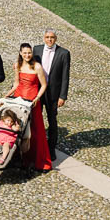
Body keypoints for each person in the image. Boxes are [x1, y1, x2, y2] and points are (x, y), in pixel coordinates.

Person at [7, 43, 52, 170]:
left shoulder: (37, 66)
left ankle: (38, 160)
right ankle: (18, 157)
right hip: (19, 99)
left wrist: (37, 98)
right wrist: (6, 96)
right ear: (20, 53)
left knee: (35, 131)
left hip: (32, 102)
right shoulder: (18, 66)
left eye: (29, 53)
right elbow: (16, 84)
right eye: (25, 53)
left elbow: (43, 85)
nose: (27, 55)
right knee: (18, 128)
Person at [33, 29, 70, 160]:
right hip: (37, 91)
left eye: (52, 37)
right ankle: (35, 145)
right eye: (47, 37)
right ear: (44, 38)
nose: (50, 40)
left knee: (52, 121)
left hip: (53, 94)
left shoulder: (64, 53)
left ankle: (51, 148)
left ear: (56, 39)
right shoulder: (36, 50)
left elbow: (65, 76)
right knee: (35, 119)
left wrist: (63, 96)